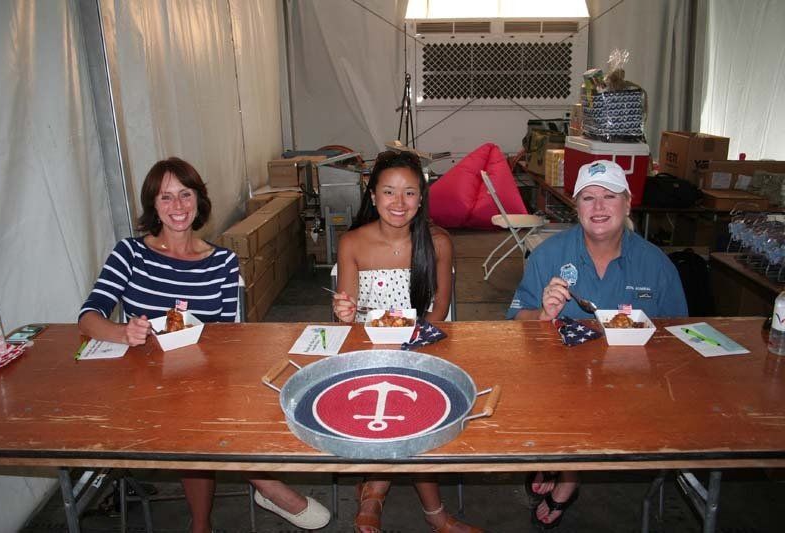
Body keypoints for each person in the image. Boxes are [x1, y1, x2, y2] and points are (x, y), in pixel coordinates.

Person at [79, 157, 330, 533]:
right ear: (153, 205)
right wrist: (123, 333)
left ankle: (202, 524)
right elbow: (88, 317)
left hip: (207, 377)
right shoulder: (129, 254)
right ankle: (262, 484)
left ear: (199, 200)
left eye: (185, 194)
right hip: (145, 384)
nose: (178, 207)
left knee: (202, 409)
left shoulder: (223, 262)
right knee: (188, 415)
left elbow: (232, 335)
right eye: (166, 197)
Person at [508, 159, 687, 529]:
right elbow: (514, 324)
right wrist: (543, 314)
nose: (600, 207)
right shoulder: (548, 256)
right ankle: (558, 460)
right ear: (576, 207)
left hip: (631, 386)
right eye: (589, 198)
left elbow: (677, 338)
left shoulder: (656, 265)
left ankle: (569, 474)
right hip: (557, 384)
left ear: (628, 202)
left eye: (610, 196)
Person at [333, 150, 481, 533]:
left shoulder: (439, 242)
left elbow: (440, 308)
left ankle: (374, 490)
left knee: (415, 403)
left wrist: (409, 349)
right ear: (373, 196)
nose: (399, 203)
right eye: (388, 192)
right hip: (367, 350)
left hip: (423, 346)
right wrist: (345, 314)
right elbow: (346, 318)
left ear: (422, 197)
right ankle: (435, 515)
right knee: (395, 402)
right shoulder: (352, 243)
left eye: (410, 193)